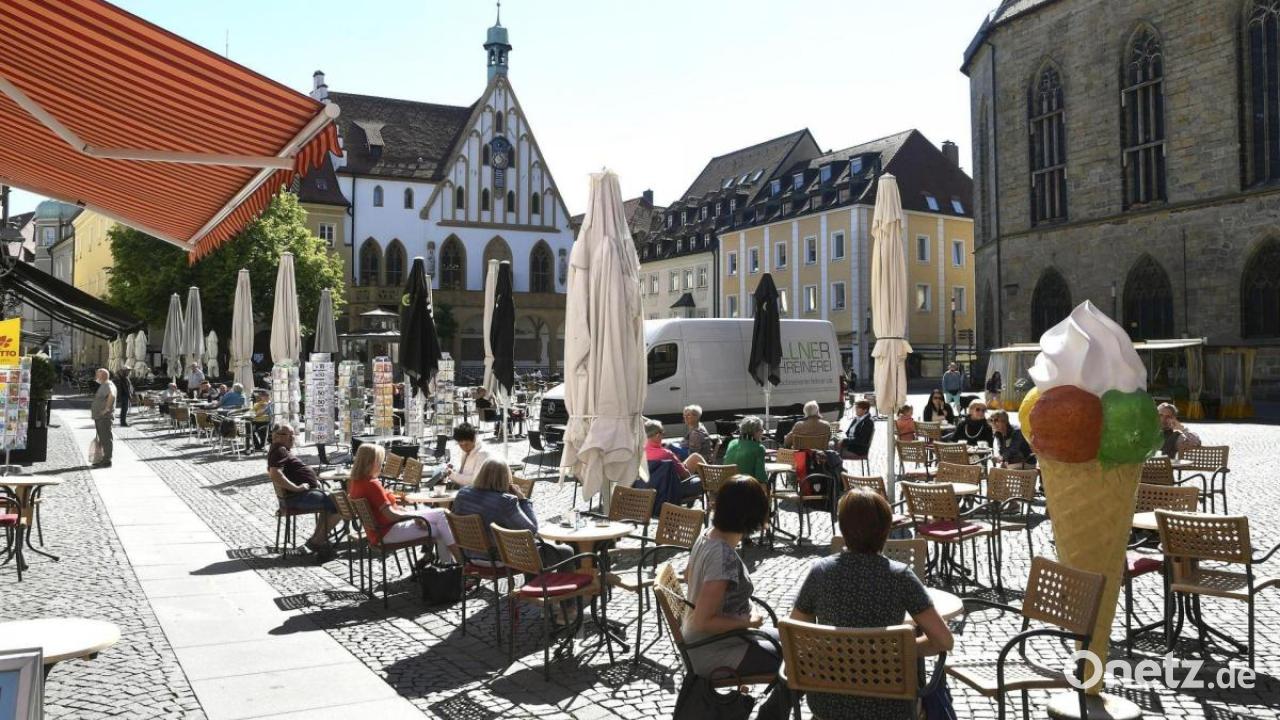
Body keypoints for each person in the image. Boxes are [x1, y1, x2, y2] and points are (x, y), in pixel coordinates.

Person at [791, 489, 953, 720]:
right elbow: (943, 640)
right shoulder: (901, 576)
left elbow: (799, 634)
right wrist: (900, 649)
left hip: (829, 702)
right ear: (887, 530)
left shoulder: (820, 572)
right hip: (890, 705)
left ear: (842, 528)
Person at [683, 477, 778, 678]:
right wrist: (746, 621)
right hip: (715, 650)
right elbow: (703, 622)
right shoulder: (722, 556)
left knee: (798, 643)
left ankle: (773, 709)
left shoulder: (708, 535)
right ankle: (772, 711)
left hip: (721, 639)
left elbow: (687, 574)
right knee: (802, 661)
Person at [452, 459, 574, 570]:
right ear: (506, 478)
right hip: (499, 558)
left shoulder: (463, 494)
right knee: (566, 551)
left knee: (533, 549)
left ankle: (532, 585)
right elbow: (531, 530)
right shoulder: (505, 501)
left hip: (470, 555)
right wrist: (523, 500)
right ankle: (568, 592)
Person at [347, 443, 459, 561]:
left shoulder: (356, 483)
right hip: (387, 532)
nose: (382, 464)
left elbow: (384, 510)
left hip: (378, 532)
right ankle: (457, 563)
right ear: (372, 462)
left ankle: (450, 565)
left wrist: (406, 512)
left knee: (441, 517)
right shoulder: (372, 484)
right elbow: (392, 515)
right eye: (380, 461)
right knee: (441, 524)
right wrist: (414, 516)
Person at [266, 424, 341, 561]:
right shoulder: (279, 450)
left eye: (293, 434)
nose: (291, 437)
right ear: (274, 436)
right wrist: (297, 488)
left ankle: (316, 541)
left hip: (301, 495)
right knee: (341, 504)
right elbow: (275, 473)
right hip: (297, 497)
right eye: (286, 434)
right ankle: (316, 543)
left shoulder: (280, 449)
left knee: (331, 503)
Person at [644, 419, 704, 498]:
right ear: (657, 435)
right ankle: (714, 490)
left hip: (648, 491)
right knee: (701, 479)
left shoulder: (639, 453)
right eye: (663, 434)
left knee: (694, 457)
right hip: (670, 491)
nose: (663, 436)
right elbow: (685, 475)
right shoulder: (666, 454)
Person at [722, 416, 767, 483]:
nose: (763, 432)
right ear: (755, 432)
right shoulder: (759, 448)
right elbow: (761, 477)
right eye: (762, 429)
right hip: (745, 487)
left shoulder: (732, 443)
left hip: (726, 485)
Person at [91, 368, 116, 467]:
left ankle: (107, 460)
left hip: (104, 417)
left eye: (97, 374)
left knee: (105, 439)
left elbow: (112, 395)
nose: (96, 376)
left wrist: (106, 409)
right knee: (103, 438)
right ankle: (103, 459)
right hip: (100, 417)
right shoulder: (105, 385)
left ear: (103, 376)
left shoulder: (108, 384)